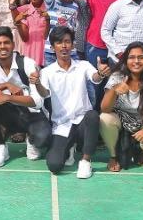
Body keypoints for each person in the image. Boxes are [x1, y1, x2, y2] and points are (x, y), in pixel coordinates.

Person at [0, 27, 52, 167]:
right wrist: (5, 85)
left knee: (44, 139)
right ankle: (0, 147)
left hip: (32, 114)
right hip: (9, 114)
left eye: (6, 42)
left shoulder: (27, 64)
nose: (3, 47)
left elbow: (38, 102)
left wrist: (8, 98)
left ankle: (32, 138)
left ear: (13, 44)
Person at [37, 25, 105, 178]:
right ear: (53, 46)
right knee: (54, 165)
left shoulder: (83, 65)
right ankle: (69, 148)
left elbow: (95, 77)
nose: (64, 46)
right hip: (61, 125)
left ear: (73, 45)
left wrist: (100, 73)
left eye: (67, 42)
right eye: (59, 42)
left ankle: (85, 161)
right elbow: (44, 93)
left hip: (82, 123)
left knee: (93, 115)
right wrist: (36, 83)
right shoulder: (47, 72)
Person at [99, 42, 143, 172]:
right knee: (104, 118)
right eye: (132, 57)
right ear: (126, 60)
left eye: (141, 57)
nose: (136, 61)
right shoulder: (117, 77)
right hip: (121, 122)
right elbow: (104, 108)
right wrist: (115, 90)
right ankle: (113, 155)